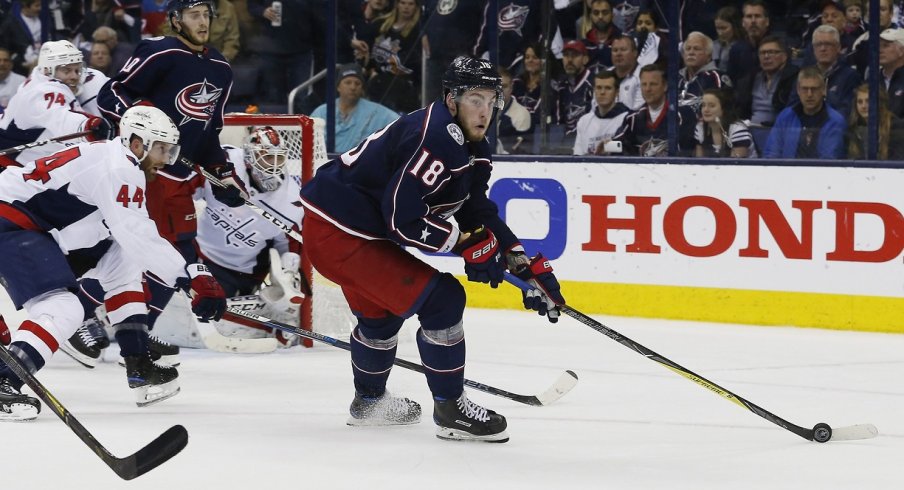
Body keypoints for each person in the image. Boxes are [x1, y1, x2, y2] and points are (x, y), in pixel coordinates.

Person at [298, 56, 565, 443]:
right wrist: (463, 244)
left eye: (492, 100)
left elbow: (476, 208)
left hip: (347, 230)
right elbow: (401, 218)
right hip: (341, 233)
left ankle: (369, 403)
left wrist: (520, 260)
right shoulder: (438, 136)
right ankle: (451, 408)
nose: (485, 111)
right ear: (451, 98)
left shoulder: (472, 144)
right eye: (475, 98)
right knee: (442, 299)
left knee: (382, 318)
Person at [0, 106, 227, 419]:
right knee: (64, 309)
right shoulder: (121, 169)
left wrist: (187, 274)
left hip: (41, 226)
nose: (165, 160)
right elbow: (135, 230)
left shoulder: (116, 159)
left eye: (170, 151)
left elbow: (131, 238)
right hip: (12, 223)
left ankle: (139, 364)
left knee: (124, 256)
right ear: (137, 144)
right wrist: (187, 277)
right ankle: (4, 378)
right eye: (161, 149)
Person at [97, 0, 244, 344]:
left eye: (206, 15)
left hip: (178, 181)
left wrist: (221, 172)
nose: (202, 22)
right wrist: (135, 125)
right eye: (194, 15)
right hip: (141, 172)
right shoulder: (160, 51)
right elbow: (111, 94)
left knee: (178, 258)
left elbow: (209, 132)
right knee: (122, 249)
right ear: (175, 20)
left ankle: (134, 335)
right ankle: (88, 326)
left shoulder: (221, 67)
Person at [195, 126, 305, 346]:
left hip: (244, 272)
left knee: (211, 316)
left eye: (278, 158)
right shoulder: (225, 164)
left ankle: (281, 319)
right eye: (266, 158)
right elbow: (188, 188)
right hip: (201, 257)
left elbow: (291, 244)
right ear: (249, 157)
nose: (273, 165)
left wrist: (287, 273)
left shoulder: (292, 198)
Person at [0, 41, 114, 168]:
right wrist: (86, 125)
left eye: (77, 70)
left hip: (32, 162)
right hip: (9, 164)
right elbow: (59, 117)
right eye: (67, 71)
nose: (74, 76)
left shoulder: (43, 77)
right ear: (48, 71)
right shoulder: (40, 91)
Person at [611, 63, 697, 156]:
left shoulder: (682, 115)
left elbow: (688, 150)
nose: (647, 89)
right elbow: (620, 145)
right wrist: (606, 146)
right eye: (644, 84)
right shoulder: (633, 119)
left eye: (653, 84)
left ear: (665, 86)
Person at [311, 63, 399, 154]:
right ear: (338, 87)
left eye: (357, 83)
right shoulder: (322, 112)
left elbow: (400, 124)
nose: (353, 87)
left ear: (362, 88)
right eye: (348, 82)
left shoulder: (377, 112)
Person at [763, 66, 846, 159]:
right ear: (798, 90)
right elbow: (771, 153)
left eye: (814, 89)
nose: (809, 94)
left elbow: (829, 160)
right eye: (805, 89)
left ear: (823, 90)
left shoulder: (835, 121)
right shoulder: (785, 116)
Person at [735, 35, 800, 126]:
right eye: (762, 53)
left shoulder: (794, 78)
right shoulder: (750, 79)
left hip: (779, 129)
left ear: (784, 56)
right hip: (749, 129)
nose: (766, 56)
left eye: (771, 52)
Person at [808, 25, 861, 118]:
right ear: (813, 49)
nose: (823, 49)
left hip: (835, 128)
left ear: (838, 48)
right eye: (818, 44)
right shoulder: (805, 75)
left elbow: (847, 111)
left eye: (828, 44)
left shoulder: (851, 76)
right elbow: (793, 107)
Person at [573, 70, 629, 155]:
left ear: (617, 92)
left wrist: (607, 147)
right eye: (599, 88)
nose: (602, 92)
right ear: (594, 91)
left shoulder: (628, 119)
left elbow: (629, 147)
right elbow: (577, 156)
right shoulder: (584, 121)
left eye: (608, 88)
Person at [551, 40, 594, 150]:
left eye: (574, 56)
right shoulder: (561, 87)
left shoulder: (594, 84)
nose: (569, 60)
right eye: (566, 56)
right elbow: (558, 123)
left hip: (589, 144)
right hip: (566, 146)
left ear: (585, 59)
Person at [846, 83, 904, 160]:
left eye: (868, 101)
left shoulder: (896, 127)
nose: (863, 106)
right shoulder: (853, 129)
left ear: (880, 102)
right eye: (860, 102)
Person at [678, 31, 732, 113]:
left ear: (709, 56)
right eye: (688, 49)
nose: (691, 53)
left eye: (696, 49)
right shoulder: (677, 78)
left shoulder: (716, 78)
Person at [694, 88, 756, 158]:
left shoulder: (738, 130)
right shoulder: (700, 128)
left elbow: (735, 165)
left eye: (712, 106)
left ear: (723, 109)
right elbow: (699, 162)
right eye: (703, 105)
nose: (706, 110)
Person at [496, 67, 533, 154]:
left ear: (511, 87)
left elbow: (516, 151)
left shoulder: (522, 115)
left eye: (504, 86)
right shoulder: (480, 111)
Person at [610, 34, 643, 110]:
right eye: (615, 50)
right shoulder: (605, 76)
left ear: (635, 53)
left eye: (623, 50)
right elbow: (595, 107)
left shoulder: (643, 76)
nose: (618, 54)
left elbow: (638, 110)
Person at [878, 27, 904, 118]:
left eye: (886, 46)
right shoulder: (872, 80)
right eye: (879, 46)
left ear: (901, 51)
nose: (879, 50)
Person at [712, 6, 743, 73]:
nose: (720, 33)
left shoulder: (742, 48)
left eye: (724, 28)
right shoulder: (714, 45)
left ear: (735, 26)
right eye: (718, 28)